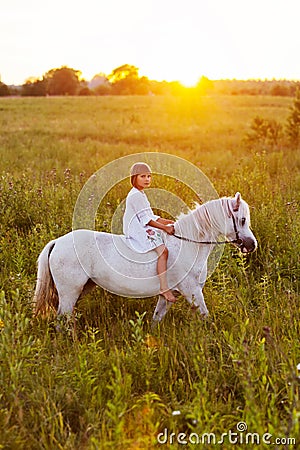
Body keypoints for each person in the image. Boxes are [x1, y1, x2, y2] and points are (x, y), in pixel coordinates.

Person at [123, 162, 177, 303]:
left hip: (143, 224)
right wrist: (164, 228)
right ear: (134, 178)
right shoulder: (135, 195)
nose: (147, 179)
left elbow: (151, 215)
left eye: (149, 176)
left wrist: (169, 221)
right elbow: (146, 220)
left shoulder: (141, 193)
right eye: (142, 176)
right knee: (163, 251)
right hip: (137, 228)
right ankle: (164, 288)